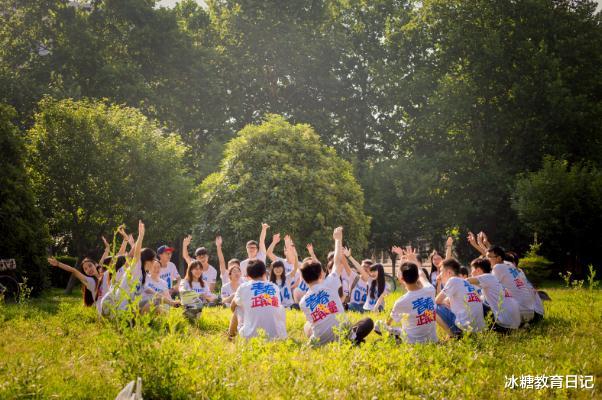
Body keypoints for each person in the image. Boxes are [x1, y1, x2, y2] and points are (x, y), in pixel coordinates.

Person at [299, 227, 373, 346]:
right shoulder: (330, 283)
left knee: (307, 325)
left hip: (321, 342)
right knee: (368, 321)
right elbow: (337, 261)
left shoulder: (303, 302)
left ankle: (348, 338)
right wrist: (338, 239)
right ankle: (352, 337)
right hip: (343, 333)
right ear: (320, 274)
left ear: (303, 278)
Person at [377, 255, 438, 344]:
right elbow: (423, 276)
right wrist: (414, 261)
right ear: (417, 277)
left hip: (412, 342)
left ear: (401, 279)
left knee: (379, 324)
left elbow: (388, 323)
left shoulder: (401, 302)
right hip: (433, 340)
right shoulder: (431, 289)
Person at [230, 259, 287, 340]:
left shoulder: (243, 287)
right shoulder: (274, 287)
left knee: (238, 307)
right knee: (278, 307)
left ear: (248, 276)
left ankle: (231, 335)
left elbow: (232, 306)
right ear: (264, 273)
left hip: (251, 338)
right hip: (279, 337)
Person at [466, 258, 521, 333]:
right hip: (513, 323)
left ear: (478, 270)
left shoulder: (487, 277)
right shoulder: (492, 278)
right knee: (479, 300)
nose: (471, 273)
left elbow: (466, 281)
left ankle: (474, 333)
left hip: (505, 325)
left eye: (472, 270)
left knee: (473, 303)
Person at [435, 258, 485, 337]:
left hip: (466, 329)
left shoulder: (453, 280)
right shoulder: (464, 281)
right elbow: (446, 301)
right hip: (478, 330)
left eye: (441, 271)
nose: (439, 274)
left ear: (449, 272)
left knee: (432, 307)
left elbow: (437, 301)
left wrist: (444, 302)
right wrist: (445, 302)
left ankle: (453, 336)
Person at [487, 246, 535, 324]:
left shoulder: (497, 267)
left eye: (489, 257)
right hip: (530, 311)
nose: (487, 259)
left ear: (499, 258)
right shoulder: (510, 265)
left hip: (519, 313)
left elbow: (490, 286)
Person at [268, 235, 299, 309]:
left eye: (292, 248)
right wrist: (274, 242)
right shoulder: (280, 262)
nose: (278, 269)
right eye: (287, 248)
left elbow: (296, 269)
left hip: (293, 297)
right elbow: (269, 253)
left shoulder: (300, 264)